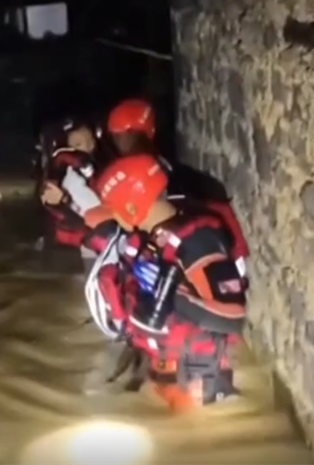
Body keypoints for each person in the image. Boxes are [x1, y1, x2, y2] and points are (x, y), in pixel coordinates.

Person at [84, 153, 251, 411]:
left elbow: (232, 318)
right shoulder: (150, 239)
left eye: (115, 211)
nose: (114, 218)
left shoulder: (199, 241)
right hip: (163, 369)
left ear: (132, 208)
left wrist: (172, 297)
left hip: (198, 379)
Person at [37, 118, 103, 252]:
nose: (74, 151)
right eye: (72, 145)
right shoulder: (67, 175)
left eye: (80, 144)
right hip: (84, 243)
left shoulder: (101, 168)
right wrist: (63, 200)